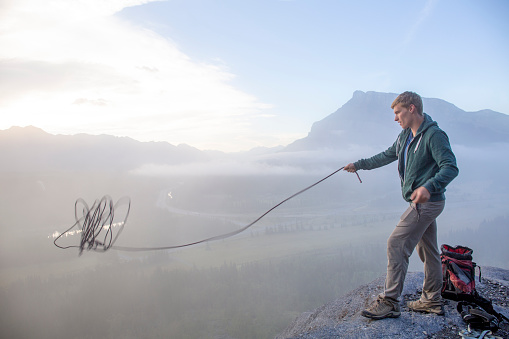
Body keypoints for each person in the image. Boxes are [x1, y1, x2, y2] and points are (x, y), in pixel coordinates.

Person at [344, 91, 458, 320]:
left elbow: (450, 167)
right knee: (429, 251)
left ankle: (390, 302)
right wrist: (359, 165)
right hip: (422, 202)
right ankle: (432, 300)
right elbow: (387, 155)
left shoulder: (434, 135)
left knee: (395, 243)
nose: (396, 118)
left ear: (412, 108)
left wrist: (428, 187)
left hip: (427, 203)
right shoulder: (406, 135)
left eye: (398, 112)